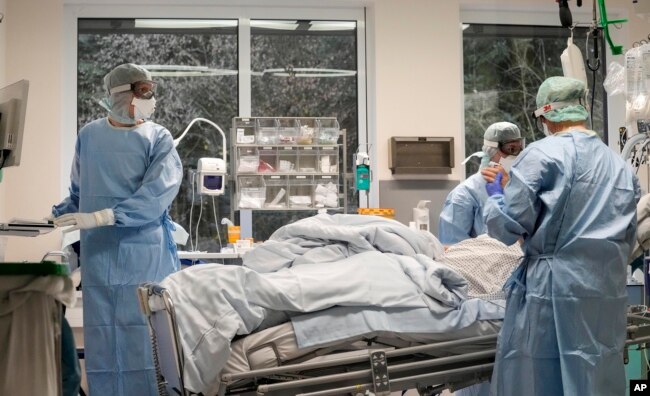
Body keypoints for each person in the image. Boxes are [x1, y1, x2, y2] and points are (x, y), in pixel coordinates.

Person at [483, 76, 640, 395]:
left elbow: (505, 225)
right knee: (597, 376)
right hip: (605, 293)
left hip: (553, 293)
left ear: (546, 115)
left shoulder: (541, 155)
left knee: (541, 379)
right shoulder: (619, 166)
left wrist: (497, 193)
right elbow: (628, 237)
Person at [52, 63, 183, 395]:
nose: (149, 101)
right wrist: (53, 218)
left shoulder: (158, 137)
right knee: (104, 338)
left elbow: (156, 195)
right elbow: (80, 194)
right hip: (100, 256)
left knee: (147, 336)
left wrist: (101, 217)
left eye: (150, 93)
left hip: (145, 253)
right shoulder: (90, 135)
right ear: (118, 96)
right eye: (142, 93)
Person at [438, 122, 524, 245]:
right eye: (511, 149)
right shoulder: (464, 194)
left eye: (520, 148)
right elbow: (453, 249)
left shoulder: (520, 187)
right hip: (482, 263)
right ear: (491, 150)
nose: (517, 155)